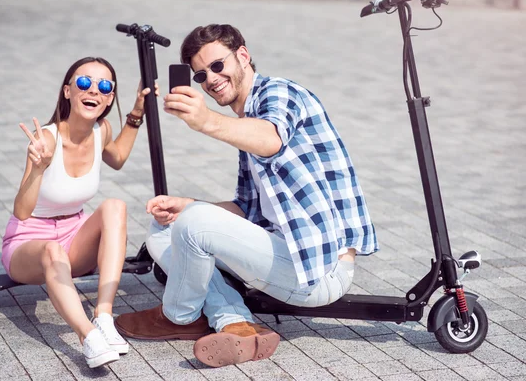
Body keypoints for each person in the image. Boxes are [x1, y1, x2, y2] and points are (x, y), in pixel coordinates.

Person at [114, 24, 379, 368]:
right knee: (165, 228)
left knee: (193, 227)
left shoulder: (279, 94)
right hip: (282, 252)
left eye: (217, 66)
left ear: (242, 55)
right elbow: (246, 209)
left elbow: (272, 138)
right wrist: (189, 206)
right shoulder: (247, 118)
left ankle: (178, 316)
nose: (210, 79)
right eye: (199, 75)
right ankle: (235, 323)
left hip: (318, 269)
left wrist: (207, 121)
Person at [1, 56, 157, 368]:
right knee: (52, 251)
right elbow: (21, 211)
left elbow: (119, 158)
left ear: (110, 97)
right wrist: (38, 168)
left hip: (74, 236)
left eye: (104, 86)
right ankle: (88, 338)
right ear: (68, 91)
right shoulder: (46, 139)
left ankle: (103, 318)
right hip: (29, 241)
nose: (93, 90)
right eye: (84, 82)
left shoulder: (102, 130)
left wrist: (138, 111)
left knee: (115, 206)